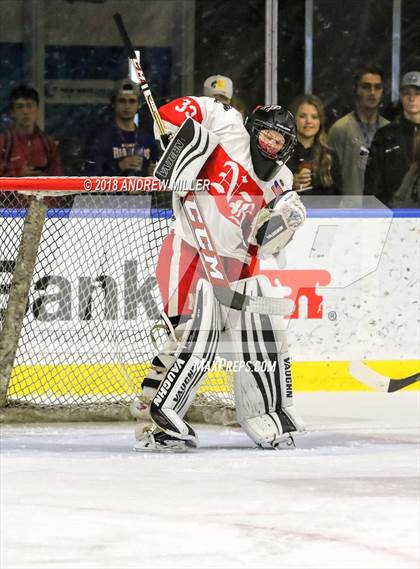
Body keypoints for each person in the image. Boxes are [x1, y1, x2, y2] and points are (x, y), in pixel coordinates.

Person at [133, 96, 306, 452]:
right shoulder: (229, 127)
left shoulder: (283, 181)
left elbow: (269, 245)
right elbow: (177, 112)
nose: (271, 145)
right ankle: (153, 421)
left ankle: (267, 414)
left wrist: (282, 226)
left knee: (260, 342)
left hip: (236, 271)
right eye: (267, 136)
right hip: (189, 251)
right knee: (185, 334)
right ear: (254, 129)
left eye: (279, 141)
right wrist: (175, 132)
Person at [328, 65, 389, 195]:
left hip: (382, 208)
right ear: (355, 89)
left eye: (377, 87)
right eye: (366, 87)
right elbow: (330, 177)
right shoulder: (340, 129)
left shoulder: (389, 129)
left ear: (383, 91)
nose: (372, 92)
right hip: (349, 210)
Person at [364, 70, 420, 207]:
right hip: (393, 215)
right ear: (401, 96)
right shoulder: (385, 135)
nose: (412, 99)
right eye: (407, 93)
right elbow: (372, 182)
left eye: (418, 94)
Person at [83, 78, 158, 176]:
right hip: (111, 191)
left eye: (132, 101)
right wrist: (118, 166)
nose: (127, 106)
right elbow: (91, 177)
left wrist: (153, 175)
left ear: (139, 105)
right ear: (114, 103)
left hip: (142, 191)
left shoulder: (147, 139)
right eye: (122, 101)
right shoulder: (101, 138)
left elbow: (156, 171)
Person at [0, 85, 63, 177]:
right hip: (13, 191)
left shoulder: (49, 144)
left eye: (30, 106)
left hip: (42, 190)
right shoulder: (3, 143)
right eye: (20, 107)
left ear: (37, 109)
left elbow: (58, 178)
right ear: (12, 112)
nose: (25, 111)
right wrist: (17, 177)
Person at [288, 94, 341, 195]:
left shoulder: (330, 155)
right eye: (302, 116)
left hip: (323, 209)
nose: (308, 121)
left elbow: (339, 194)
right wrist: (289, 185)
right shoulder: (282, 154)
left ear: (320, 121)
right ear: (294, 119)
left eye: (314, 117)